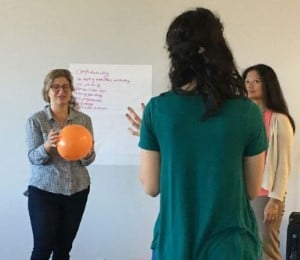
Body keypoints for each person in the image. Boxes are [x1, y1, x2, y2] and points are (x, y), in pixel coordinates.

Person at [126, 7, 268, 260]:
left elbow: (151, 186)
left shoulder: (157, 111)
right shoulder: (248, 112)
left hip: (175, 245)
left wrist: (156, 138)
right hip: (231, 247)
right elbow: (251, 189)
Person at [25, 69, 95, 260]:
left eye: (65, 86)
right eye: (55, 87)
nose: (61, 91)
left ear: (71, 90)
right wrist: (47, 147)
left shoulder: (84, 120)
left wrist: (88, 153)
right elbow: (32, 158)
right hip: (44, 191)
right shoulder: (36, 120)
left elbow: (88, 160)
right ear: (47, 91)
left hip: (77, 190)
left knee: (63, 250)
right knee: (42, 248)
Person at [243, 64, 295, 260]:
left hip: (266, 196)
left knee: (266, 251)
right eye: (247, 81)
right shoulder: (245, 118)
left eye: (256, 81)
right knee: (247, 248)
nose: (250, 85)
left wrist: (275, 200)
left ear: (268, 85)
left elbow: (284, 164)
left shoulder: (279, 119)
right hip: (243, 193)